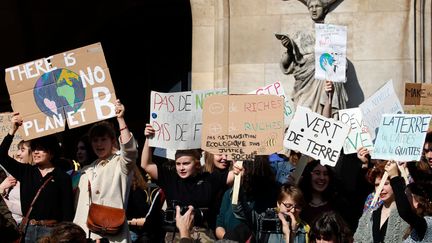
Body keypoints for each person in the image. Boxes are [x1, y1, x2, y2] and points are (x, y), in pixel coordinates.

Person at [141, 123, 239, 242]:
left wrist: (236, 148)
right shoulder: (170, 178)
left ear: (197, 164)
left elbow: (236, 173)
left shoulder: (209, 179)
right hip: (174, 235)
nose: (181, 168)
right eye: (178, 164)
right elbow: (146, 164)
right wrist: (148, 139)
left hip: (203, 236)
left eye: (186, 163)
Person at [0, 112, 74, 242]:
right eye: (34, 149)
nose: (36, 152)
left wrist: (64, 237)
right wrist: (12, 130)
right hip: (28, 230)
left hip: (52, 232)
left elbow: (67, 214)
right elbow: (1, 155)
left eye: (41, 149)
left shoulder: (62, 177)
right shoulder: (26, 172)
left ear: (51, 153)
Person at [73, 99, 138, 243]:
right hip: (84, 235)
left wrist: (120, 119)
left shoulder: (121, 163)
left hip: (111, 235)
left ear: (113, 141)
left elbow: (130, 151)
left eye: (103, 139)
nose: (99, 144)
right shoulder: (86, 170)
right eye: (95, 140)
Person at [277, 0, 347, 117]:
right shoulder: (300, 35)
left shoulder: (333, 34)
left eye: (317, 6)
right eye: (311, 7)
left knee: (326, 117)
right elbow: (285, 65)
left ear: (325, 10)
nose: (314, 9)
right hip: (305, 86)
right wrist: (290, 49)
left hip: (324, 83)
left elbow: (342, 66)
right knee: (304, 119)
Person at [353, 161, 409, 242]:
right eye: (377, 185)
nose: (380, 188)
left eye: (385, 184)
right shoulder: (369, 215)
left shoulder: (407, 214)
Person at [386, 161, 432, 242]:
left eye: (407, 195)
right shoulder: (416, 225)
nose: (403, 199)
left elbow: (404, 211)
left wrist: (394, 176)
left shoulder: (427, 224)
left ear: (417, 202)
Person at [0, 139, 34, 224]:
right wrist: (2, 188)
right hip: (9, 224)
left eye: (22, 150)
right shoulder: (12, 177)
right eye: (18, 149)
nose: (17, 154)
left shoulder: (33, 177)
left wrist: (4, 202)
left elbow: (28, 210)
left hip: (23, 227)